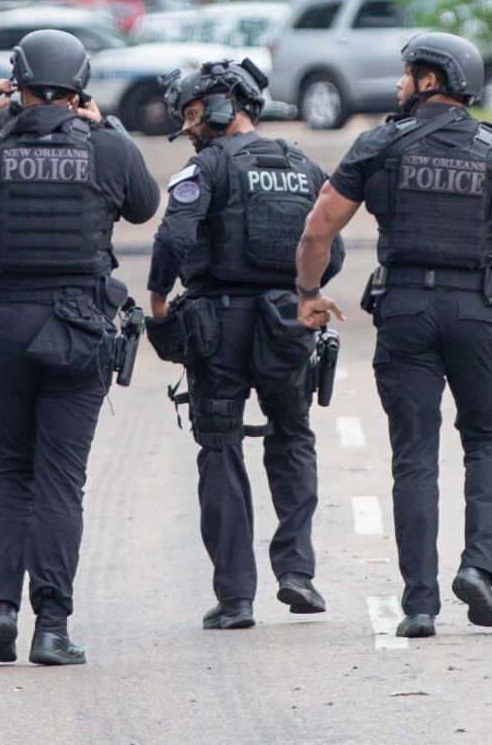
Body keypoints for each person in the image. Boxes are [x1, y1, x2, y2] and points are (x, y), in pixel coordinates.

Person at [295, 31, 492, 639]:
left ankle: (419, 604)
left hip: (406, 309)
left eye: (406, 73)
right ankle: (479, 570)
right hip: (477, 311)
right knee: (488, 440)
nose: (398, 83)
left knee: (414, 455)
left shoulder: (379, 145)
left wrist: (308, 294)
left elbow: (318, 230)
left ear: (430, 80)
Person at [0, 29, 159, 666]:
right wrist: (107, 128)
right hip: (79, 325)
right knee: (60, 480)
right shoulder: (104, 147)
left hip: (4, 323)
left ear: (14, 80)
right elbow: (144, 205)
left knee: (9, 469)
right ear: (81, 84)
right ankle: (51, 628)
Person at [146, 58, 345, 631]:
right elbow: (331, 247)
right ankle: (297, 573)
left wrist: (159, 298)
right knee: (293, 436)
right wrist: (304, 295)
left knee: (220, 448)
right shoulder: (304, 166)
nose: (189, 125)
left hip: (218, 327)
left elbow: (175, 234)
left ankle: (235, 599)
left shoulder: (205, 167)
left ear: (225, 104)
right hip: (286, 324)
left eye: (193, 111)